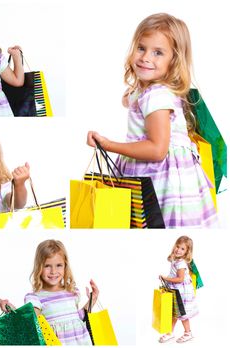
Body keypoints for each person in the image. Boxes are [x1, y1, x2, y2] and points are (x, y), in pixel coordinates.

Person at [87, 13, 218, 228]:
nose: (146, 57)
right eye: (141, 48)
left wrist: (109, 145)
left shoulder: (157, 95)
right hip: (164, 173)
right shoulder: (152, 91)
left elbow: (157, 149)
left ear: (174, 60)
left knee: (157, 223)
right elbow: (130, 101)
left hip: (161, 177)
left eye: (158, 52)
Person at [0, 239, 99, 345]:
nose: (53, 271)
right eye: (47, 266)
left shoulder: (72, 291)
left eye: (58, 265)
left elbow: (77, 319)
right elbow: (31, 321)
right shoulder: (36, 298)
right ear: (39, 267)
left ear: (65, 266)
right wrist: (10, 309)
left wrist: (93, 300)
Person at [159, 236, 198, 343]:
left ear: (187, 252)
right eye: (177, 246)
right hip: (176, 290)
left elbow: (180, 279)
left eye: (182, 249)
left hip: (182, 293)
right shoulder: (175, 260)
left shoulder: (181, 263)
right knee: (174, 313)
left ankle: (188, 333)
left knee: (182, 314)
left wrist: (166, 278)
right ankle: (170, 332)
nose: (178, 250)